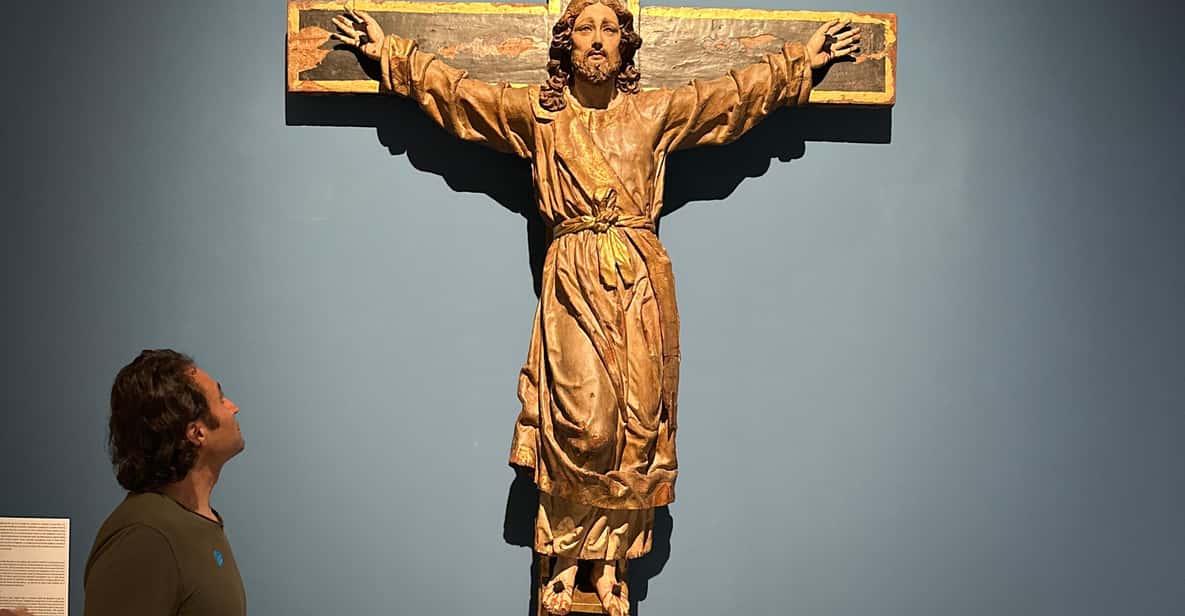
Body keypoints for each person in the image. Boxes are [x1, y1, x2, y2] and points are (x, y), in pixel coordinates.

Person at [332, 2, 858, 614]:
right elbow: (463, 97)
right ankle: (561, 554)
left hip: (639, 281)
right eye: (586, 29)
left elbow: (727, 99)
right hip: (574, 276)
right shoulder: (541, 116)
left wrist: (799, 63)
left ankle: (609, 562)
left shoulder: (653, 113)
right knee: (582, 423)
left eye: (610, 29)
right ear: (567, 44)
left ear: (625, 44)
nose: (599, 40)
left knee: (637, 425)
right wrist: (392, 56)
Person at [83, 349, 246, 616]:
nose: (233, 407)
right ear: (197, 432)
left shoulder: (196, 521)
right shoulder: (145, 536)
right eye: (220, 399)